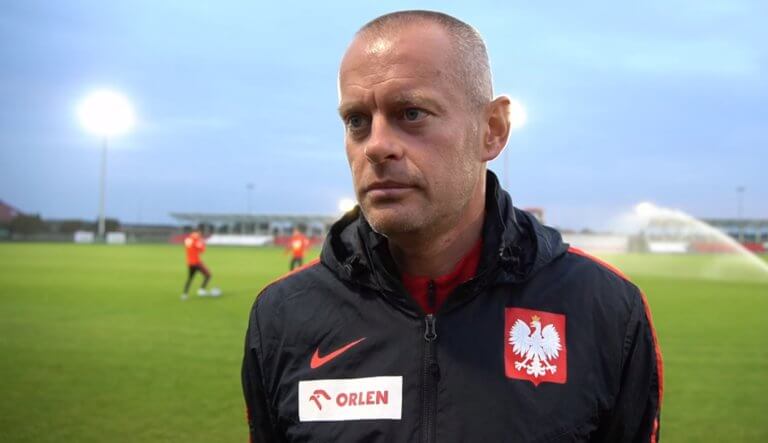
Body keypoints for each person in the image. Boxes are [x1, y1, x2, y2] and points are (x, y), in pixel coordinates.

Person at [242, 10, 662, 442]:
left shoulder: (604, 309)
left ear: (492, 130)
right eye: (357, 121)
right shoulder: (283, 316)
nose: (376, 146)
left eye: (411, 113)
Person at [181, 230, 219, 299]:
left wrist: (199, 241)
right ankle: (201, 290)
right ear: (195, 233)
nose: (199, 235)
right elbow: (202, 250)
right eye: (198, 234)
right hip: (196, 262)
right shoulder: (196, 240)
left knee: (190, 278)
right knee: (208, 275)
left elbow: (190, 246)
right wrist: (202, 243)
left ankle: (184, 294)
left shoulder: (188, 239)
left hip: (190, 263)